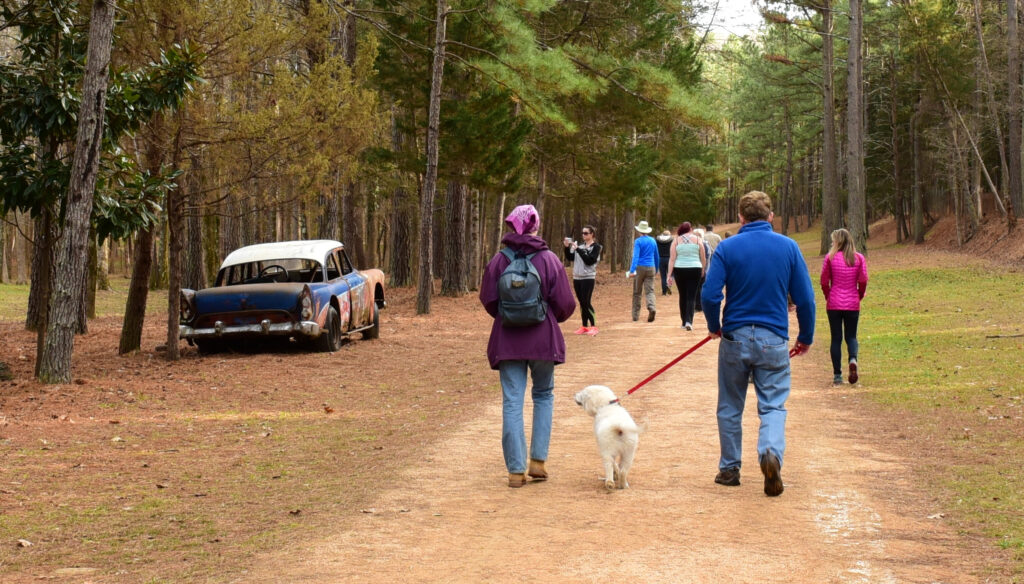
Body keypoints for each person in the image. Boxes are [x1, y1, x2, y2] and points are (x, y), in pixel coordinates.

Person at [701, 191, 815, 497]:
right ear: (770, 217)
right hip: (773, 338)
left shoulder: (727, 247)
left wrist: (715, 326)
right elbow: (805, 298)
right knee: (773, 405)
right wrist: (805, 337)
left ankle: (729, 469)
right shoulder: (788, 247)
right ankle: (770, 453)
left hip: (735, 337)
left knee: (729, 405)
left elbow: (710, 295)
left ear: (740, 218)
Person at [480, 204, 576, 488]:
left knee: (512, 402)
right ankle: (538, 461)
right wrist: (547, 317)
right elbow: (566, 303)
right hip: (543, 340)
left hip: (507, 341)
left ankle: (515, 470)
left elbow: (488, 299)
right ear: (535, 225)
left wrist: (508, 315)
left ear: (512, 226)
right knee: (543, 395)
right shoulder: (549, 259)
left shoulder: (499, 260)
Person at [820, 228, 868, 385]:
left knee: (836, 338)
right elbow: (863, 280)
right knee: (851, 336)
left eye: (833, 240)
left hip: (834, 303)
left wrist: (828, 295)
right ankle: (853, 359)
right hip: (852, 303)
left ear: (838, 242)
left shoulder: (830, 258)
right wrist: (859, 295)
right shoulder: (858, 258)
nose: (832, 242)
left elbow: (823, 281)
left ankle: (837, 375)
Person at [563, 225, 603, 335]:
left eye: (586, 233)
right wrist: (567, 247)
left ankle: (594, 326)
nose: (583, 235)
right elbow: (570, 258)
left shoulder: (596, 247)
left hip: (588, 278)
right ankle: (584, 326)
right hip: (577, 277)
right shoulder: (579, 246)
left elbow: (590, 261)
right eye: (582, 233)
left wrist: (579, 250)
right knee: (581, 303)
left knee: (586, 302)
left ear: (592, 235)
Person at [667, 222, 706, 331]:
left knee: (682, 295)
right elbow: (703, 256)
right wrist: (703, 268)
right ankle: (689, 321)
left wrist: (669, 274)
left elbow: (672, 259)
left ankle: (683, 322)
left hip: (680, 269)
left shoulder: (676, 240)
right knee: (691, 296)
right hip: (695, 268)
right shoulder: (698, 240)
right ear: (690, 229)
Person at [627, 220, 659, 322]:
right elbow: (656, 256)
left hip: (640, 267)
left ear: (639, 230)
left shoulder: (638, 241)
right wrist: (656, 268)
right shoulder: (653, 240)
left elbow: (635, 256)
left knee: (637, 292)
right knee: (650, 291)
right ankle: (652, 307)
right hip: (651, 266)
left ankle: (635, 316)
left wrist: (632, 270)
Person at [656, 229, 674, 295]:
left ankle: (664, 291)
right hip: (669, 259)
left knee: (663, 276)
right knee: (670, 275)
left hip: (660, 259)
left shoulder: (657, 240)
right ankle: (669, 286)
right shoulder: (671, 240)